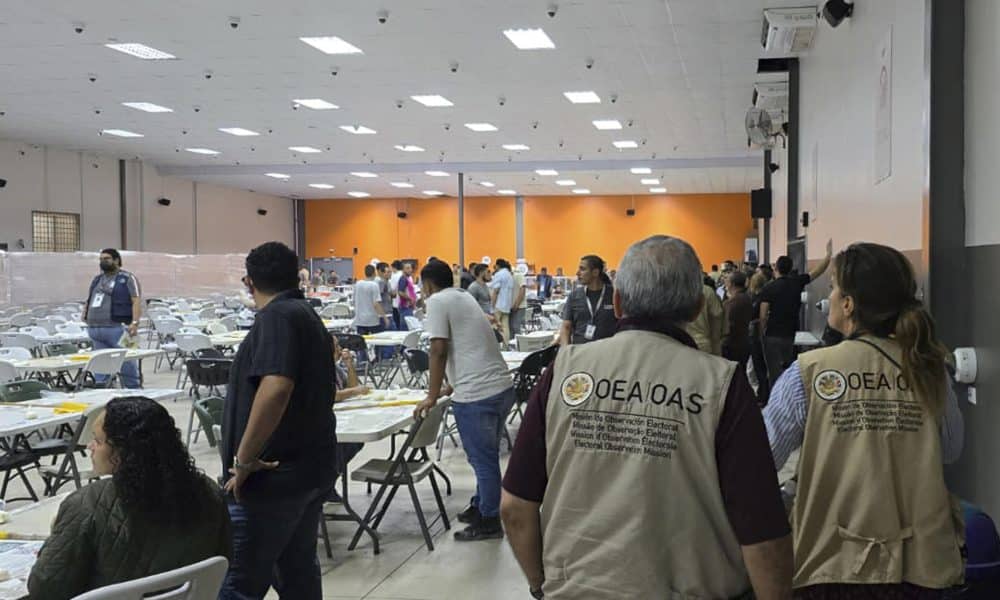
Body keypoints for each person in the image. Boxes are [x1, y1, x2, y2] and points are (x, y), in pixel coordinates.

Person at [501, 235, 793, 599]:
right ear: (697, 307)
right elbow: (762, 532)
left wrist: (539, 585)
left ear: (618, 302)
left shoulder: (564, 370)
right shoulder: (721, 385)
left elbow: (514, 508)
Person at [764, 243, 965, 597]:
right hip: (921, 567)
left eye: (833, 288)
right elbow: (951, 449)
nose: (828, 296)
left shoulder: (808, 372)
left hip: (832, 565)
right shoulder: (928, 369)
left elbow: (762, 461)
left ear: (848, 304)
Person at [220, 241, 337, 600]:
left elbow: (276, 388)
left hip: (273, 478)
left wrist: (244, 460)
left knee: (239, 584)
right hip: (307, 469)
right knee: (297, 574)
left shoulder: (277, 317)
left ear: (249, 282)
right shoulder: (305, 314)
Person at [28, 397, 231, 599]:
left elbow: (44, 588)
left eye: (97, 441)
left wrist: (56, 536)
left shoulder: (86, 505)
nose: (90, 447)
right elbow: (225, 557)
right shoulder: (209, 492)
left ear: (122, 452)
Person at [413, 261, 515, 542]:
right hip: (501, 388)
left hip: (477, 395)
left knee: (483, 460)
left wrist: (431, 395)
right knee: (486, 456)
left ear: (428, 284)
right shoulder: (464, 297)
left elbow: (438, 349)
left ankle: (490, 520)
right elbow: (469, 344)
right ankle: (481, 505)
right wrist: (449, 385)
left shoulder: (436, 301)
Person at [759, 243, 832, 384]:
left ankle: (775, 395)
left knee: (774, 372)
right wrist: (828, 256)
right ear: (790, 268)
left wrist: (761, 333)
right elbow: (817, 272)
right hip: (789, 334)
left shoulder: (769, 288)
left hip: (772, 334)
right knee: (787, 370)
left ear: (776, 268)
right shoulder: (796, 282)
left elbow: (763, 315)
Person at [82, 248, 142, 388]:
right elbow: (89, 298)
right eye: (101, 259)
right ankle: (103, 388)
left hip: (118, 327)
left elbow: (136, 301)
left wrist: (135, 323)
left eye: (107, 259)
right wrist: (85, 313)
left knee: (127, 360)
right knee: (100, 364)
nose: (103, 262)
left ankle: (133, 389)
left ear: (116, 260)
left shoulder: (128, 278)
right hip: (95, 329)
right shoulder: (97, 279)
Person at [558, 255, 617, 345]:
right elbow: (566, 327)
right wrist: (566, 350)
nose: (577, 273)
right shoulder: (574, 296)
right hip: (580, 350)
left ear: (595, 272)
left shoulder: (613, 295)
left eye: (582, 269)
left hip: (607, 350)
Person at [722, 271, 753, 367]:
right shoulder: (747, 298)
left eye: (727, 280)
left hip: (732, 345)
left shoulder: (731, 303)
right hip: (744, 342)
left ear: (732, 284)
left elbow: (727, 325)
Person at [686, 281, 724, 355]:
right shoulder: (707, 291)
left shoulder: (673, 290)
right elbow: (717, 317)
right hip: (702, 345)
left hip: (676, 344)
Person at [353, 264, 391, 335]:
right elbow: (376, 304)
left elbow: (354, 300)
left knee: (363, 340)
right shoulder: (374, 285)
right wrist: (385, 318)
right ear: (374, 273)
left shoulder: (357, 284)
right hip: (372, 320)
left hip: (360, 320)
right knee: (376, 340)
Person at [488, 259, 515, 345]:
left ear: (498, 266)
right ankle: (505, 346)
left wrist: (492, 306)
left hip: (498, 305)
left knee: (494, 326)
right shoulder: (510, 275)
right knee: (505, 327)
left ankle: (495, 346)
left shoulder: (499, 274)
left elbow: (496, 291)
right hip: (506, 305)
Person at [397, 262, 418, 330]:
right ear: (403, 270)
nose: (410, 270)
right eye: (407, 268)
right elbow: (400, 292)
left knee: (409, 327)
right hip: (405, 307)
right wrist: (410, 299)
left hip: (409, 307)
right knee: (406, 328)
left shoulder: (408, 278)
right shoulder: (403, 279)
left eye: (410, 268)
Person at [510, 266, 528, 337]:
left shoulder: (519, 276)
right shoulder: (509, 278)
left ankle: (519, 342)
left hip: (520, 306)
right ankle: (511, 342)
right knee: (511, 328)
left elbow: (522, 291)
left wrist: (516, 304)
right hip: (511, 307)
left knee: (516, 327)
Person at [389, 260, 404, 329]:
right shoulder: (405, 275)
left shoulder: (395, 276)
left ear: (394, 267)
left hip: (396, 301)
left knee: (397, 322)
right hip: (404, 302)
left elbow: (392, 288)